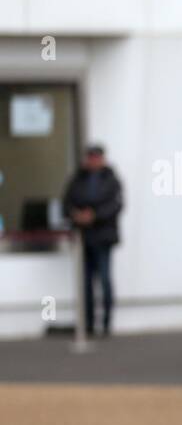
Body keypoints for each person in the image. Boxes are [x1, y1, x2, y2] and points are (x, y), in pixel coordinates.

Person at [63, 144, 124, 337]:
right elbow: (66, 202)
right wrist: (76, 215)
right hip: (84, 237)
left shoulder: (111, 179)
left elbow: (116, 204)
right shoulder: (78, 178)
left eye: (96, 157)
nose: (93, 161)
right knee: (86, 283)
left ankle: (106, 323)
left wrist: (94, 215)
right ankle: (88, 323)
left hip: (103, 236)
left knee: (105, 280)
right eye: (91, 157)